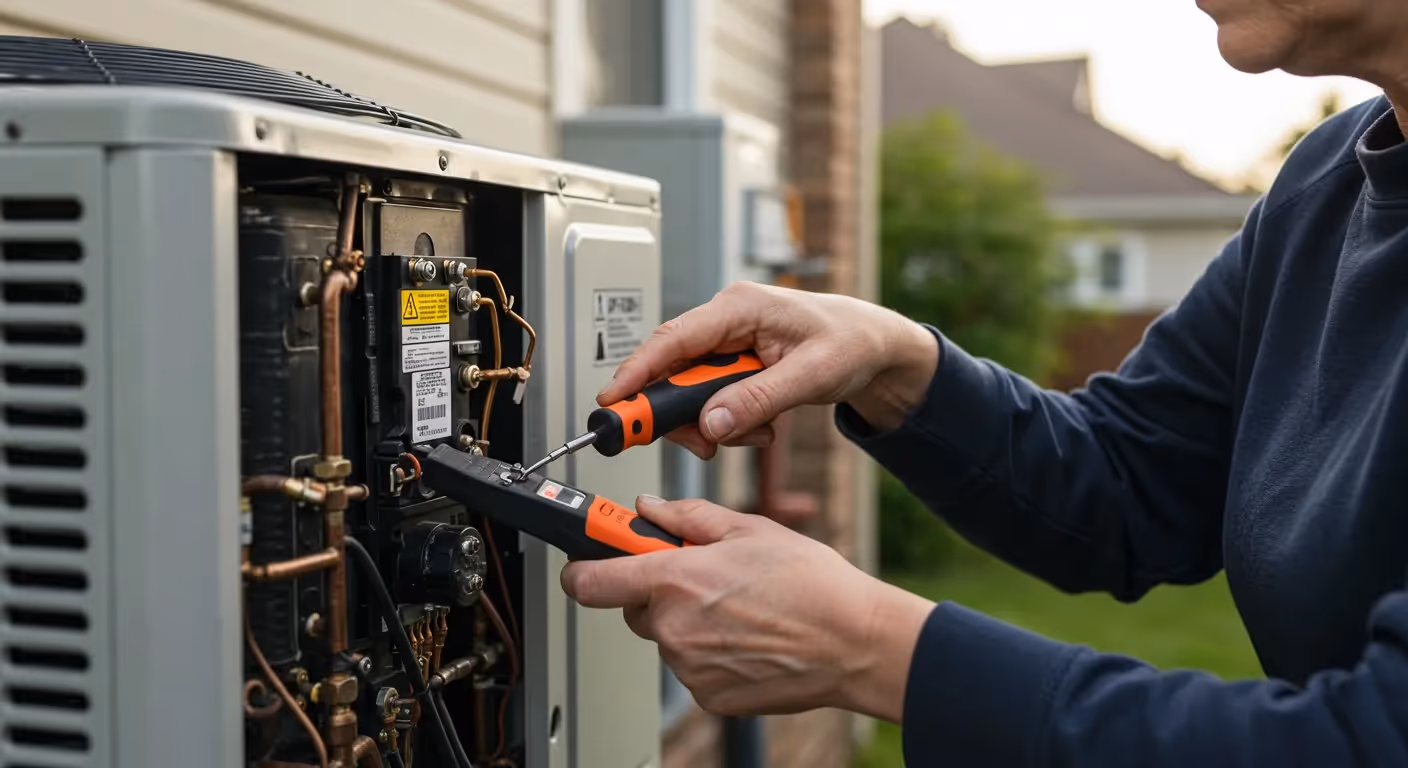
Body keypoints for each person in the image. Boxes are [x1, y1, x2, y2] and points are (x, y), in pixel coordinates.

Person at [562, 0, 1408, 764]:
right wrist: (894, 361)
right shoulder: (1326, 184)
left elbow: (1369, 740)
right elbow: (1133, 482)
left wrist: (871, 647)